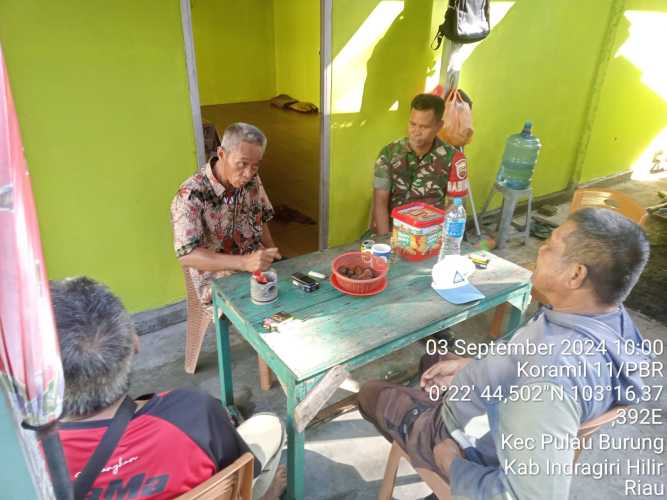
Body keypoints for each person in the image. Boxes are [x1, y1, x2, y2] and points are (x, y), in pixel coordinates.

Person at [358, 208, 653, 499]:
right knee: (432, 360)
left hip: (464, 444)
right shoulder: (611, 319)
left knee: (370, 393)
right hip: (499, 413)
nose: (541, 249)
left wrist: (451, 461)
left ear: (575, 275)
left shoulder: (548, 386)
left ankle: (425, 434)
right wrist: (476, 367)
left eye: (549, 245)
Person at [54, 277, 287, 499]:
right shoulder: (194, 411)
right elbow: (244, 468)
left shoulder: (31, 463)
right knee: (269, 427)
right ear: (135, 343)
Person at [171, 122, 281, 308]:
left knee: (288, 298)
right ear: (222, 154)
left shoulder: (252, 180)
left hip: (253, 266)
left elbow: (260, 218)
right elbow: (187, 255)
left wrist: (273, 253)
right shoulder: (191, 195)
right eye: (242, 164)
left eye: (255, 166)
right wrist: (244, 262)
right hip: (216, 279)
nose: (248, 173)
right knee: (264, 311)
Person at [371, 92, 470, 236]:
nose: (416, 132)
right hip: (394, 231)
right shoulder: (388, 154)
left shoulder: (454, 159)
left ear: (439, 126)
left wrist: (439, 239)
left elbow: (455, 207)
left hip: (431, 234)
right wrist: (385, 239)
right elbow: (380, 202)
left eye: (424, 127)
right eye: (412, 124)